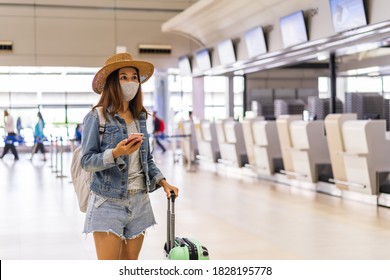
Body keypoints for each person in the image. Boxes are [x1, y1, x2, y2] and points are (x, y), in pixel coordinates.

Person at [81, 52, 178, 260]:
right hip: (107, 201)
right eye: (123, 77)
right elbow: (87, 161)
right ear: (112, 82)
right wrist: (116, 153)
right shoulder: (96, 116)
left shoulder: (140, 117)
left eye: (134, 77)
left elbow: (147, 159)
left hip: (140, 201)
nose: (131, 82)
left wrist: (163, 182)